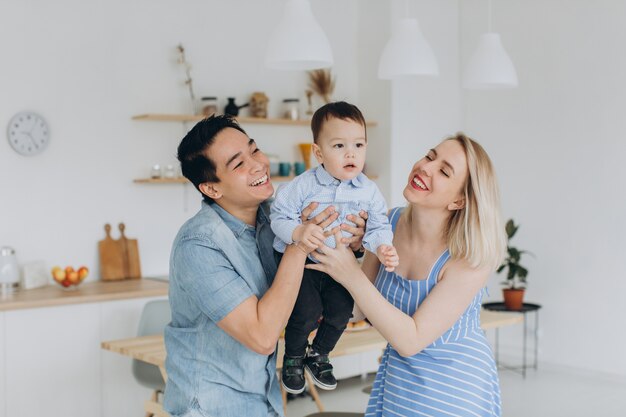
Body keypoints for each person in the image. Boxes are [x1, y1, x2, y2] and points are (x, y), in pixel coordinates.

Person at [163, 114, 366, 417]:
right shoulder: (198, 244)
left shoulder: (275, 216)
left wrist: (356, 242)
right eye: (238, 164)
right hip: (211, 407)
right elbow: (261, 336)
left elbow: (323, 275)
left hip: (266, 401)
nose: (258, 164)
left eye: (254, 150)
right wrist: (299, 243)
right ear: (212, 189)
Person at [308, 133, 507, 416]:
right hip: (400, 380)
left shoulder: (469, 258)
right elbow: (360, 308)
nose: (426, 167)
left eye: (444, 170)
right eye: (429, 156)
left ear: (459, 201)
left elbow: (411, 340)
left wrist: (349, 274)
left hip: (455, 387)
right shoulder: (387, 222)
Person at [270, 101, 399, 394]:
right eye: (339, 145)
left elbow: (378, 226)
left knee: (341, 313)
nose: (351, 153)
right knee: (306, 311)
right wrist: (299, 230)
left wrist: (383, 247)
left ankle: (319, 355)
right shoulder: (303, 186)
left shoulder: (369, 191)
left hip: (341, 268)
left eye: (358, 144)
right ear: (319, 152)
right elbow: (279, 217)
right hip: (307, 266)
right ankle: (292, 358)